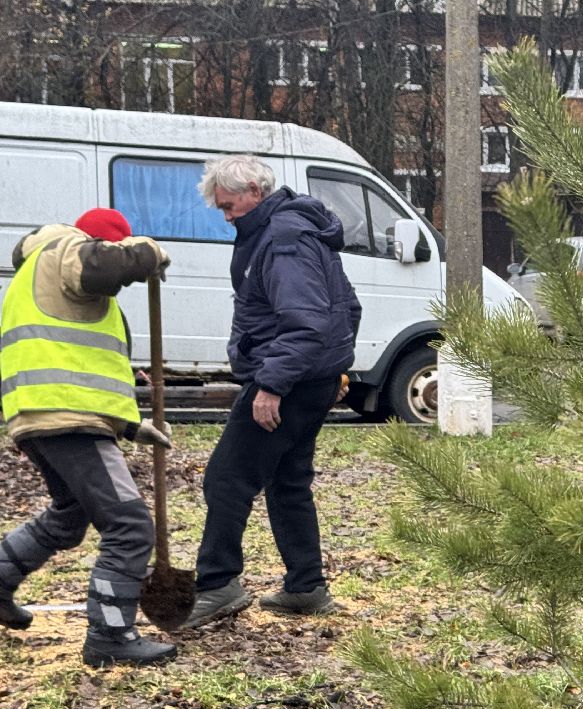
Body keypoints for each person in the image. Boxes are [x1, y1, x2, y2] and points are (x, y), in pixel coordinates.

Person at [182, 155, 360, 628]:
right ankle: (305, 587)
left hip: (288, 380)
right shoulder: (289, 229)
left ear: (255, 192)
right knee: (288, 480)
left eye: (230, 204)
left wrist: (272, 385)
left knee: (226, 477)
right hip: (308, 378)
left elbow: (306, 322)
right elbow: (345, 307)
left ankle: (218, 583)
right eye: (220, 208)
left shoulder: (282, 239)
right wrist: (332, 369)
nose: (226, 215)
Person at [0, 209, 178, 668]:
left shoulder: (44, 274)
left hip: (44, 415)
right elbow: (103, 265)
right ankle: (111, 634)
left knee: (68, 515)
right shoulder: (64, 250)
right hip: (66, 419)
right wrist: (150, 250)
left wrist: (131, 427)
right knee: (130, 526)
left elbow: (79, 368)